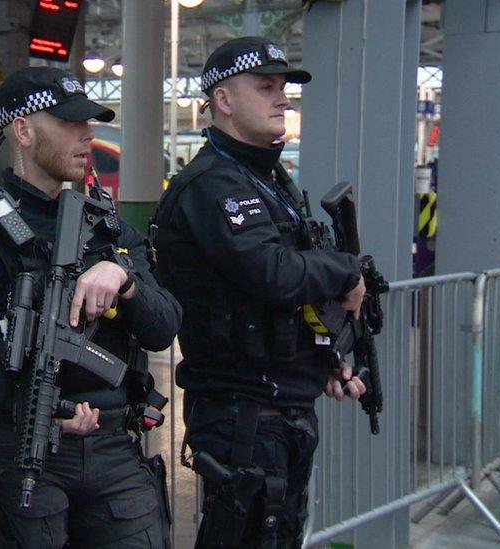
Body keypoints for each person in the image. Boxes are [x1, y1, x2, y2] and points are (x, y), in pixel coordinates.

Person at [0, 66, 181, 548]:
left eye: (87, 121)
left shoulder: (110, 230)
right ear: (24, 130)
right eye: (69, 122)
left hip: (116, 448)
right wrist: (32, 401)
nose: (87, 133)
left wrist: (126, 279)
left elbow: (164, 327)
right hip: (26, 451)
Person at [152, 37, 367, 548]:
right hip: (243, 416)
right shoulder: (212, 183)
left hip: (284, 409)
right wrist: (345, 270)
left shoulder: (268, 178)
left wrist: (328, 358)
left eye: (284, 88)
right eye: (266, 87)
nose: (283, 99)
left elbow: (291, 293)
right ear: (223, 101)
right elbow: (273, 273)